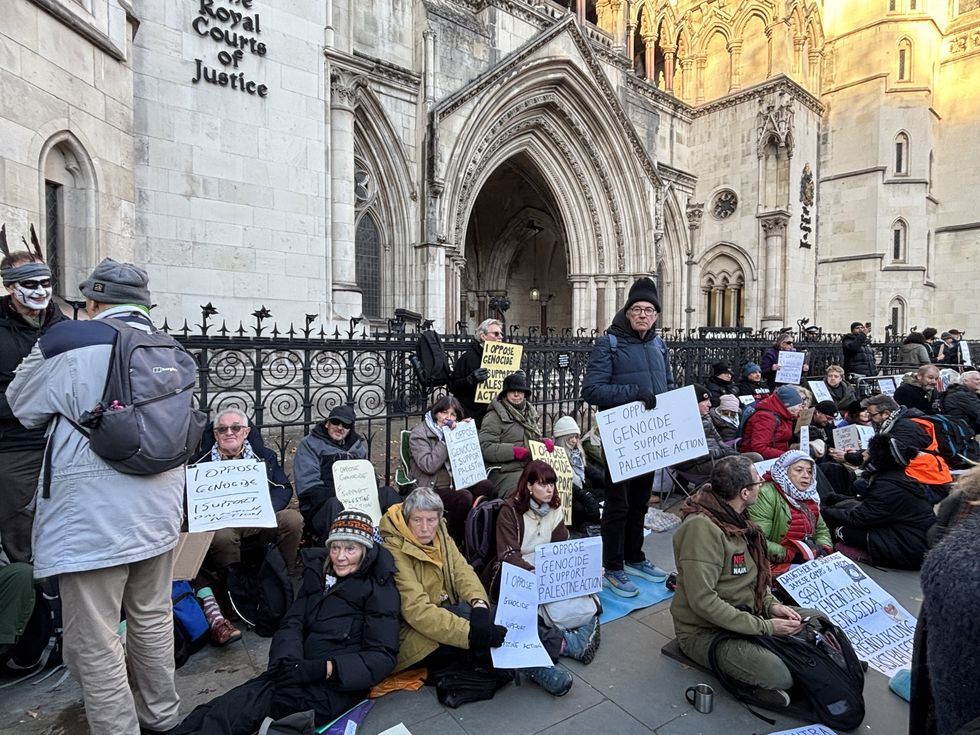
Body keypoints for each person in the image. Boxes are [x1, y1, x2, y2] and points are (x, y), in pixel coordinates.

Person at [7, 259, 183, 734]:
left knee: (95, 635)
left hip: (92, 515)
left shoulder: (68, 339)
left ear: (93, 301)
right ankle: (162, 717)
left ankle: (116, 729)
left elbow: (21, 405)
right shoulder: (167, 344)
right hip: (160, 506)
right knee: (152, 616)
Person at [170, 511, 400, 734]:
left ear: (365, 551)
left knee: (240, 716)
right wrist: (286, 662)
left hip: (335, 685)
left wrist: (325, 668)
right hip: (295, 669)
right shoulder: (320, 573)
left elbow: (382, 655)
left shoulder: (379, 589)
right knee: (220, 708)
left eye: (350, 548)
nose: (340, 556)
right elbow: (293, 623)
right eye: (335, 547)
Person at [670, 455, 822, 708]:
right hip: (703, 631)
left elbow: (753, 580)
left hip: (749, 611)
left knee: (817, 619)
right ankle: (757, 682)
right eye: (758, 482)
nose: (762, 484)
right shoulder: (702, 529)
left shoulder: (738, 519)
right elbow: (703, 602)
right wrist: (766, 628)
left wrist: (772, 605)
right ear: (744, 492)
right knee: (777, 673)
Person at [378, 488, 532, 689]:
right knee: (481, 622)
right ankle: (537, 663)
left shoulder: (440, 532)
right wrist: (472, 633)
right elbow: (417, 611)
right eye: (417, 520)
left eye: (431, 520)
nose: (425, 528)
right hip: (418, 634)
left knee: (492, 613)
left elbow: (462, 572)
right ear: (407, 519)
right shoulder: (393, 549)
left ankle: (544, 648)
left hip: (449, 616)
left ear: (439, 518)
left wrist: (479, 604)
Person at [581, 276, 673, 597]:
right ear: (627, 311)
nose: (643, 315)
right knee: (618, 505)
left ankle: (635, 556)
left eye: (649, 310)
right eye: (637, 309)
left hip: (650, 437)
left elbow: (668, 386)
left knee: (640, 503)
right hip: (621, 437)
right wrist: (634, 392)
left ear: (656, 314)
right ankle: (614, 566)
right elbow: (591, 390)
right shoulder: (609, 344)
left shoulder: (658, 344)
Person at [191, 407, 304, 645]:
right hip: (224, 524)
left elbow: (282, 488)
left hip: (258, 519)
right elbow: (191, 499)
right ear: (215, 433)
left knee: (292, 520)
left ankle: (281, 580)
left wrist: (264, 512)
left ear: (246, 432)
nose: (229, 433)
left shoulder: (264, 457)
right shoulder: (198, 463)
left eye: (236, 428)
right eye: (222, 429)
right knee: (222, 538)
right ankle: (234, 595)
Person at [488, 461, 598, 681]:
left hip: (545, 566)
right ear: (528, 486)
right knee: (545, 603)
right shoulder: (510, 511)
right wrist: (535, 572)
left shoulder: (555, 509)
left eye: (552, 484)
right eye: (542, 484)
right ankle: (568, 637)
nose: (550, 490)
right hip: (516, 571)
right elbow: (508, 555)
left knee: (577, 594)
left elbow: (562, 548)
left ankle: (568, 630)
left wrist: (587, 569)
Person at [0, 248, 65, 563]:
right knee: (19, 531)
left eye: (46, 283)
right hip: (16, 445)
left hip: (64, 442)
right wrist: (28, 406)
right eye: (31, 285)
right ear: (11, 287)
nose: (41, 291)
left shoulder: (62, 326)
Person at [822, 403, 937, 568]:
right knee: (845, 506)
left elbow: (859, 518)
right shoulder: (892, 478)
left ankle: (867, 554)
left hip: (909, 549)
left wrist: (824, 511)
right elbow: (869, 507)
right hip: (911, 538)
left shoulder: (887, 485)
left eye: (868, 452)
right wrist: (836, 499)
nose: (864, 454)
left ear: (878, 459)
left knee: (841, 529)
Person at [294, 404, 397, 543]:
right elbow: (308, 486)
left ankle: (395, 541)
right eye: (335, 422)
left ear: (350, 428)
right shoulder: (310, 444)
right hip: (321, 506)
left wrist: (367, 490)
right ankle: (343, 549)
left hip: (358, 500)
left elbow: (368, 478)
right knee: (334, 504)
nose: (340, 427)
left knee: (388, 493)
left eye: (346, 425)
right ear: (327, 423)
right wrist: (344, 497)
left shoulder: (356, 446)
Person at [408, 395, 493, 543]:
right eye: (444, 412)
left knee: (487, 487)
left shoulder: (454, 430)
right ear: (436, 413)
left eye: (453, 414)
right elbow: (429, 465)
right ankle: (453, 540)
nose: (448, 417)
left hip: (457, 482)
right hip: (431, 487)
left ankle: (479, 535)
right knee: (463, 497)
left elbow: (470, 457)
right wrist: (446, 440)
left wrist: (465, 432)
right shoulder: (420, 434)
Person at [748, 451, 832, 577]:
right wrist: (792, 556)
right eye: (799, 470)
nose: (806, 476)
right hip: (772, 562)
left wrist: (824, 550)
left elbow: (821, 530)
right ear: (785, 471)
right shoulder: (766, 494)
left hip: (805, 558)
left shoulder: (809, 496)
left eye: (809, 471)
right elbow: (758, 540)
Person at [479, 371, 544, 498]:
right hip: (503, 472)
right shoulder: (493, 416)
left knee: (549, 488)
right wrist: (513, 451)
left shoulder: (530, 414)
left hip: (529, 468)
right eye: (512, 391)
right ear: (505, 394)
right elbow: (485, 448)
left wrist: (544, 443)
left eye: (520, 391)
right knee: (524, 493)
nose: (516, 394)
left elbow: (533, 442)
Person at [679, 384, 760, 476]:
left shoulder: (706, 417)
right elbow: (691, 457)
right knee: (748, 464)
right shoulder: (683, 425)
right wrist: (722, 453)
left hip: (715, 457)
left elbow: (719, 440)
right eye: (705, 401)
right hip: (696, 466)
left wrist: (734, 454)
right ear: (694, 403)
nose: (710, 404)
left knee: (755, 458)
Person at [552, 416, 602, 533]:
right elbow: (566, 483)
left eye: (576, 437)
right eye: (570, 437)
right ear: (562, 438)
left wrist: (609, 482)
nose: (574, 440)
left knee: (604, 495)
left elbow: (589, 471)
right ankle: (578, 524)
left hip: (580, 490)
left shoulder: (576, 454)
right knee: (579, 508)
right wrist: (587, 497)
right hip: (566, 496)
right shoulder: (555, 456)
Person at [448, 318, 501, 426]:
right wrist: (470, 380)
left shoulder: (504, 359)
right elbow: (452, 386)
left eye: (501, 333)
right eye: (496, 333)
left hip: (495, 415)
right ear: (483, 336)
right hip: (472, 416)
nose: (500, 337)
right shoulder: (467, 358)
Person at [740, 385, 803, 459]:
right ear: (788, 405)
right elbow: (759, 448)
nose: (801, 409)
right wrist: (788, 456)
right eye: (799, 406)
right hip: (764, 459)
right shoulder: (765, 418)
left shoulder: (785, 415)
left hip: (779, 454)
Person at [940, 370, 980, 435]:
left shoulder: (958, 392)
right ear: (965, 381)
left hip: (961, 429)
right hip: (964, 430)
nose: (979, 381)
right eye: (977, 379)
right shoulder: (962, 395)